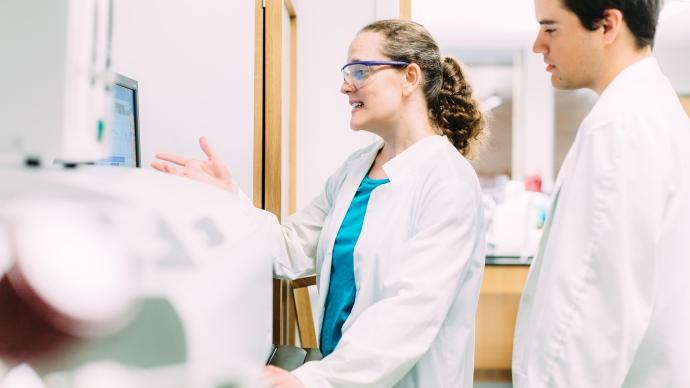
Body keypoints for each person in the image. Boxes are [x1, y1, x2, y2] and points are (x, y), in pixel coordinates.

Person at [152, 20, 487, 388]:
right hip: (337, 372)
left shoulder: (447, 182)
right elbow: (289, 249)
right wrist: (230, 197)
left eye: (360, 71)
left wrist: (315, 380)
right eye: (347, 72)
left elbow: (411, 313)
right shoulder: (357, 168)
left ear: (409, 77)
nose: (346, 86)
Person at [512, 0, 690, 387]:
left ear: (608, 25)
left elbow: (587, 315)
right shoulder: (651, 112)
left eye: (551, 28)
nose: (538, 45)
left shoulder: (621, 128)